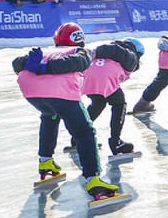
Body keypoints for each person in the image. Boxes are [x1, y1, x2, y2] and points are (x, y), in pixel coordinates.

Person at [12, 23, 123, 202]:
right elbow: (78, 63)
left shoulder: (47, 52)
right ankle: (93, 179)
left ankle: (45, 162)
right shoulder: (79, 52)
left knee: (49, 117)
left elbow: (17, 62)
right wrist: (44, 69)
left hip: (31, 92)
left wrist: (33, 65)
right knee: (84, 132)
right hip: (60, 93)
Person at [78, 37, 143, 156]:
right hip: (104, 78)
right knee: (120, 105)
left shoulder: (114, 55)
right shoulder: (129, 55)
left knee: (98, 103)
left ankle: (78, 138)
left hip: (88, 76)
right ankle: (116, 142)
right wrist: (95, 51)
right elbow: (115, 50)